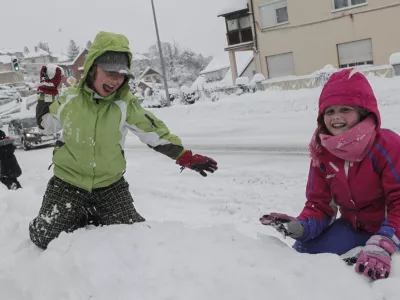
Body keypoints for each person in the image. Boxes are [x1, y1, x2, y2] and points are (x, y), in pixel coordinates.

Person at [29, 31, 218, 250]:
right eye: (109, 72)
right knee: (44, 238)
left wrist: (185, 156)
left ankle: (90, 213)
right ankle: (79, 214)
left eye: (121, 74)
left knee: (135, 238)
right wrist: (47, 91)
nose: (116, 80)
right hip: (68, 183)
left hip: (110, 185)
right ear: (92, 69)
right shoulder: (71, 100)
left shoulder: (125, 104)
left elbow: (153, 131)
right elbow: (45, 124)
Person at [260, 68, 400, 281]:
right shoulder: (322, 152)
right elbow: (320, 204)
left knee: (370, 280)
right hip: (354, 228)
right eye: (329, 111)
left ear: (363, 111)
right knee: (301, 255)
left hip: (392, 228)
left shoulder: (387, 145)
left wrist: (384, 242)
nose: (336, 117)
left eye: (345, 109)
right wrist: (301, 227)